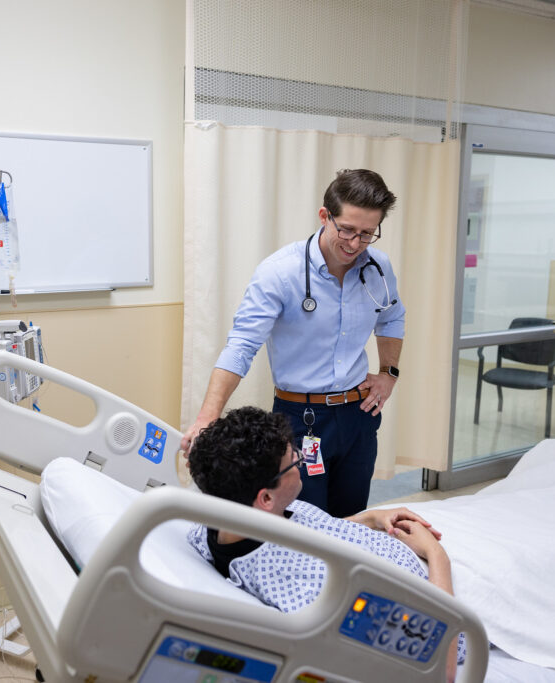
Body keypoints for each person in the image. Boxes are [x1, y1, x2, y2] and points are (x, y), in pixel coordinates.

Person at [181, 169, 405, 518]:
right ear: (324, 216)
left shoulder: (378, 267)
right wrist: (207, 418)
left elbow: (391, 316)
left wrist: (388, 373)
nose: (354, 243)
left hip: (358, 416)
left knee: (351, 518)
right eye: (346, 229)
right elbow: (241, 345)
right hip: (302, 419)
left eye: (366, 234)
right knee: (302, 523)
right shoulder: (280, 272)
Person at [186, 406, 463, 677]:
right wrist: (436, 554)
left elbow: (313, 532)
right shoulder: (308, 592)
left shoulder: (226, 522)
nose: (301, 457)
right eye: (294, 460)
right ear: (266, 498)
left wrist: (372, 518)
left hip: (401, 540)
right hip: (445, 589)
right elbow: (440, 666)